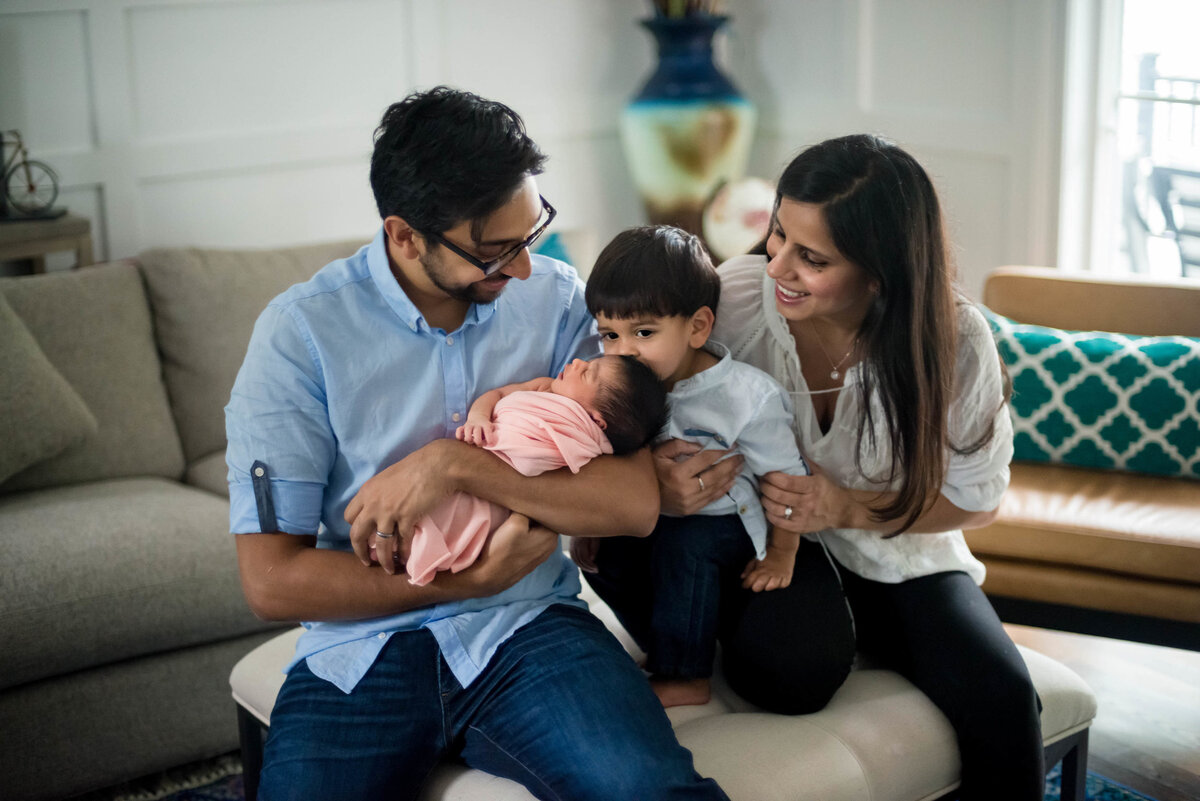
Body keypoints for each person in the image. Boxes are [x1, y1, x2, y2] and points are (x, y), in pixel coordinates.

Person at [225, 86, 728, 801]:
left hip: (532, 630)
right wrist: (470, 580)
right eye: (496, 251)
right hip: (363, 649)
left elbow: (634, 502)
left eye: (533, 231)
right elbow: (270, 580)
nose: (523, 266)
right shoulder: (300, 335)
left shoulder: (556, 299)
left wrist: (454, 464)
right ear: (404, 236)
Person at [655, 133, 1041, 801]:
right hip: (767, 545)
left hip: (898, 551)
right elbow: (643, 381)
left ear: (880, 270)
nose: (777, 266)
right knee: (790, 670)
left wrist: (847, 507)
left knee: (1004, 694)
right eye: (777, 236)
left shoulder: (953, 340)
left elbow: (977, 500)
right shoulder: (738, 297)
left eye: (812, 258)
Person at [575, 225, 821, 709]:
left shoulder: (746, 397)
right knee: (597, 554)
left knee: (685, 545)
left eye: (644, 332)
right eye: (609, 334)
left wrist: (783, 553)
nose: (623, 351)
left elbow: (787, 481)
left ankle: (685, 674)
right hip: (655, 513)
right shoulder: (613, 386)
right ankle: (674, 641)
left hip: (724, 525)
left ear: (697, 327)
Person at [387, 354, 667, 586]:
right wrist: (479, 417)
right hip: (480, 449)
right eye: (588, 363)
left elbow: (568, 480)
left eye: (587, 374)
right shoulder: (543, 387)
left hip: (498, 496)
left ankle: (425, 548)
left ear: (597, 421)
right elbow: (497, 395)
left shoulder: (590, 443)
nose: (578, 362)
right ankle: (405, 539)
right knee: (429, 507)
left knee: (469, 520)